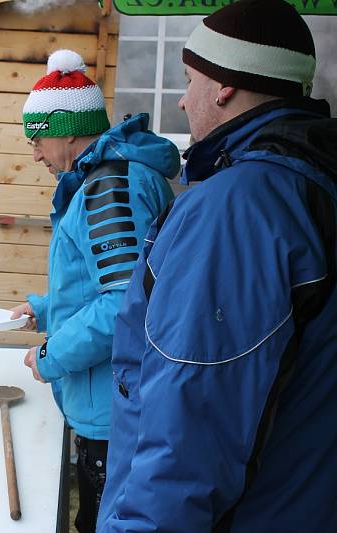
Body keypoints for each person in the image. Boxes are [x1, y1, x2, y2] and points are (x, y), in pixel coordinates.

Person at [98, 1, 337, 531]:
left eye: (188, 80)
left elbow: (189, 433)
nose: (182, 101)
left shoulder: (236, 209)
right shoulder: (315, 179)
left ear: (224, 86)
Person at [8, 49, 178, 533]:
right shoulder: (109, 177)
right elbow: (105, 281)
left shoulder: (109, 188)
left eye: (37, 139)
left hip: (115, 402)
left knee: (104, 520)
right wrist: (42, 310)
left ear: (66, 129)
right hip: (113, 394)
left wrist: (52, 353)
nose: (35, 153)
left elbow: (123, 303)